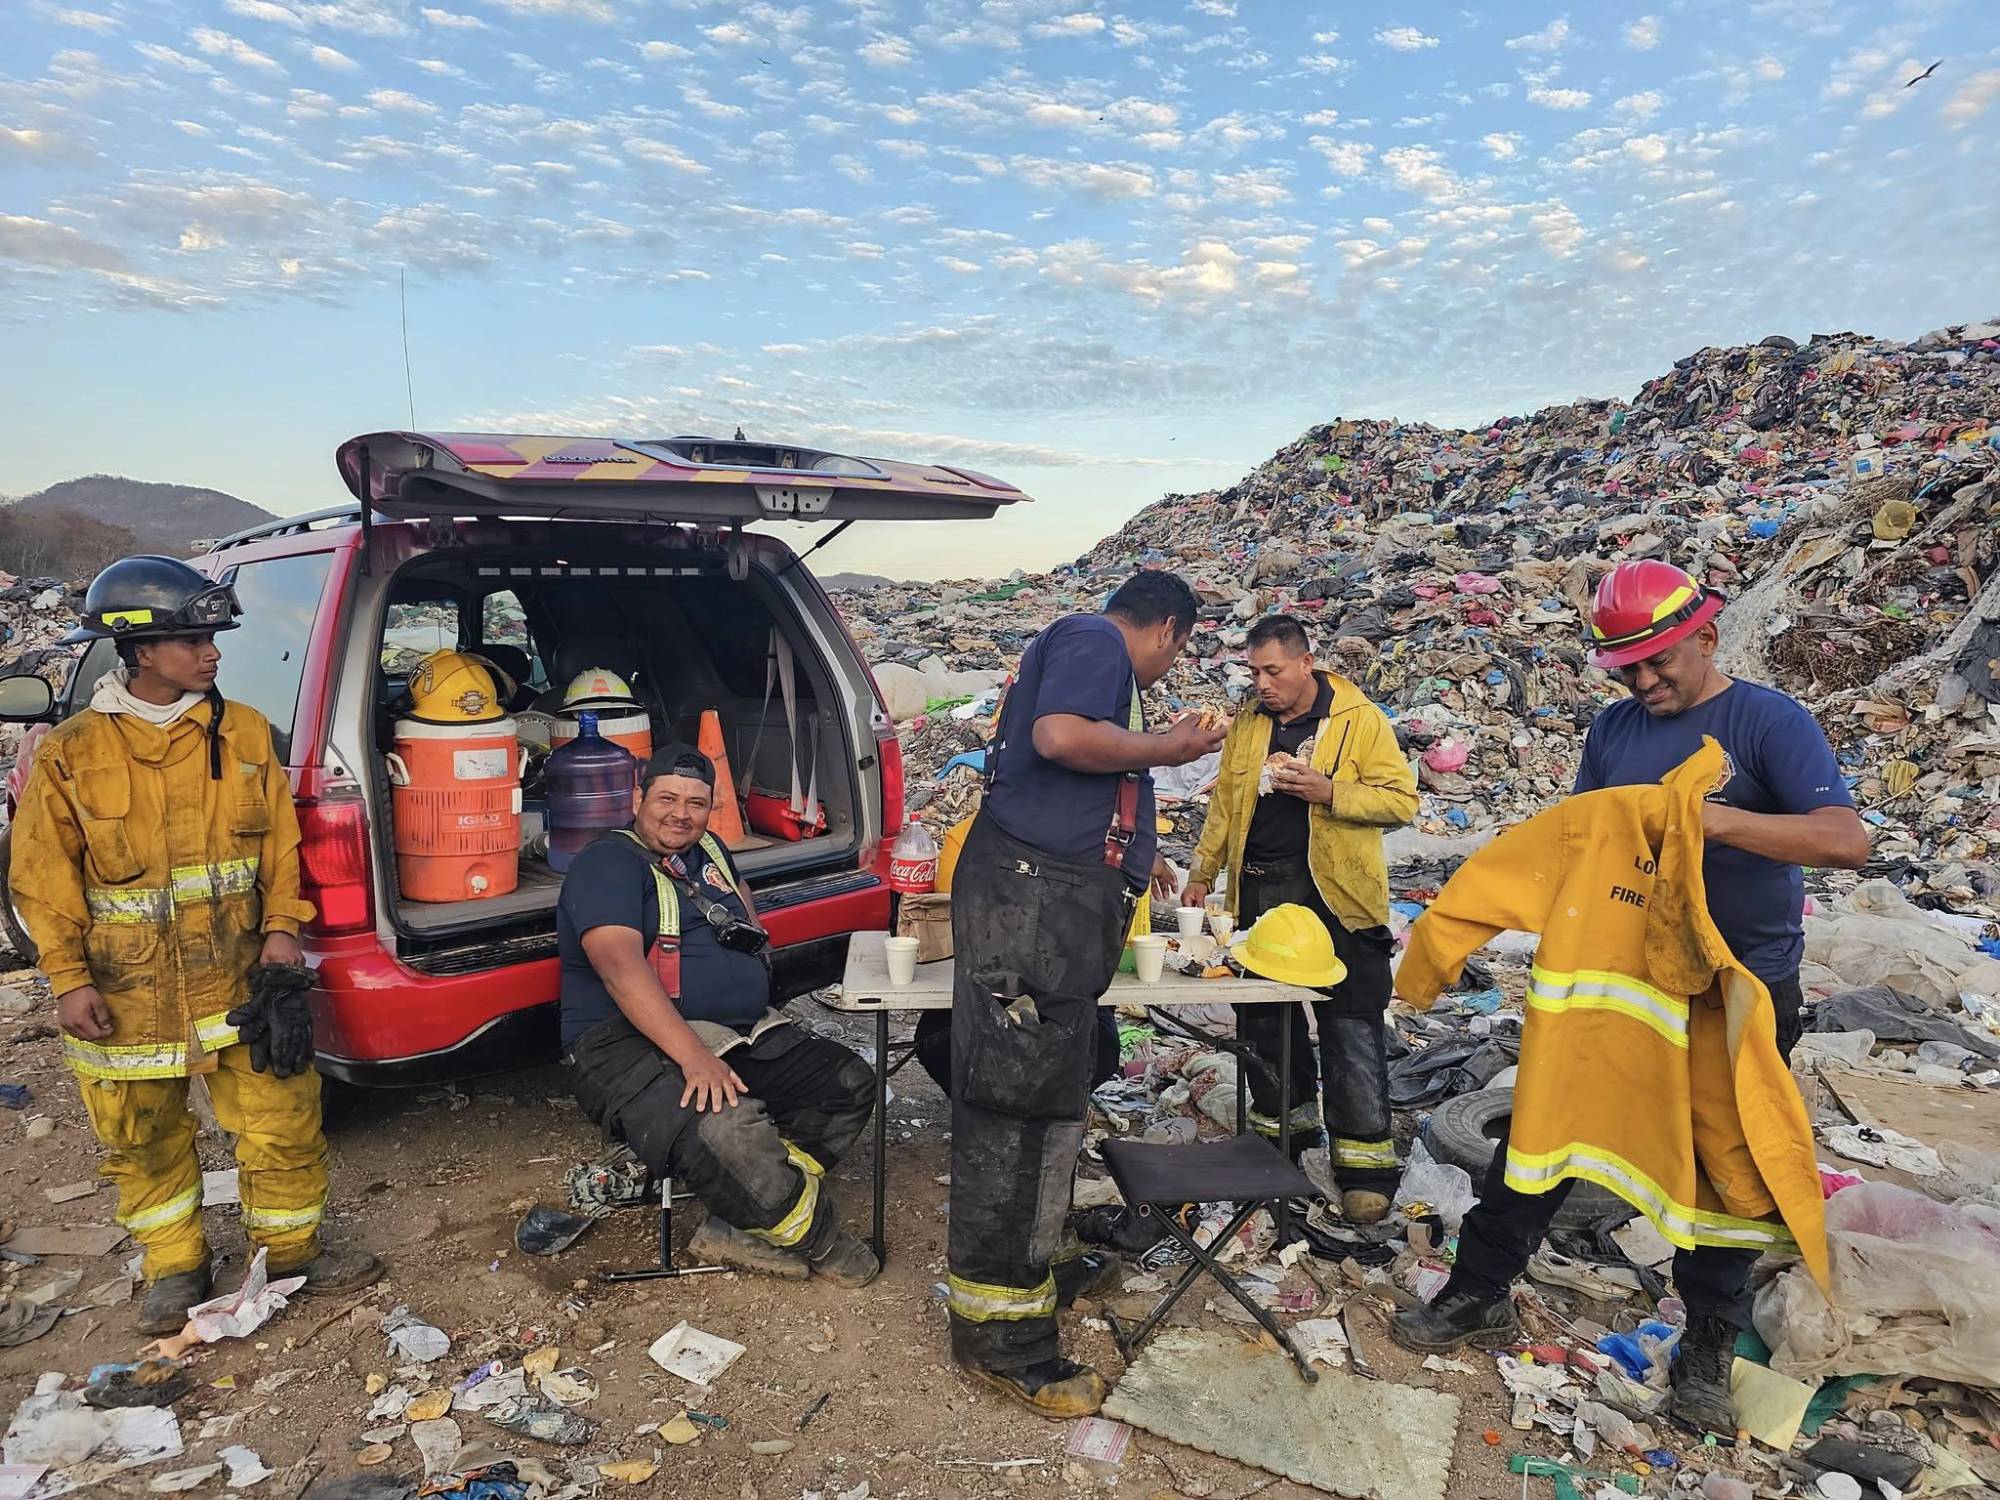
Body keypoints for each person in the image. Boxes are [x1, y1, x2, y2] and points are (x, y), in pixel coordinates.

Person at [1389, 560, 1867, 1435]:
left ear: (1707, 637)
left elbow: (1847, 839)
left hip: (1736, 995)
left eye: (1659, 663)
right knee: (1541, 1137)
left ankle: (1704, 1360)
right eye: (1627, 668)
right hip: (1624, 988)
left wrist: (1709, 820)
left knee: (1722, 1178)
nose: (1644, 682)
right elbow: (1586, 844)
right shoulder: (1612, 733)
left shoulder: (1768, 723)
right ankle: (1478, 1293)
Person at [11, 555, 380, 1335]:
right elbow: (42, 875)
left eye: (214, 636)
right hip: (123, 990)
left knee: (282, 1120)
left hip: (241, 976)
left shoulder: (241, 731)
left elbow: (282, 847)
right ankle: (175, 1268)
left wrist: (283, 929)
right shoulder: (73, 752)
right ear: (139, 649)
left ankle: (291, 1253)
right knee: (140, 1136)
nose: (213, 652)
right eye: (193, 638)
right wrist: (68, 978)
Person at [944, 570, 1226, 1418]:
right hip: (1034, 908)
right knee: (1019, 1110)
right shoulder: (1094, 640)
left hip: (1051, 906)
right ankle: (1003, 1338)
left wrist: (1143, 847)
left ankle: (1042, 1266)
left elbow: (1079, 777)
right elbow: (1063, 737)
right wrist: (1172, 749)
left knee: (1052, 1097)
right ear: (1168, 629)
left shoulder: (1090, 651)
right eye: (1174, 655)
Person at [558, 743, 879, 1285]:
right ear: (639, 797)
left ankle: (744, 1213)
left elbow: (741, 907)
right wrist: (693, 1058)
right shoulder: (607, 863)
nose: (680, 813)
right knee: (727, 1128)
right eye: (666, 798)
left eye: (696, 803)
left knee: (847, 1085)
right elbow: (619, 969)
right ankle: (818, 1240)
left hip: (730, 1032)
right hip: (622, 1043)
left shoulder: (706, 849)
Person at [1181, 614, 1417, 1223]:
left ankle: (1364, 1165)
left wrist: (1330, 791)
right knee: (1264, 1022)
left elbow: (1400, 802)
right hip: (1264, 893)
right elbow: (1226, 805)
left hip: (1339, 895)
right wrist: (1203, 872)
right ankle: (1284, 1144)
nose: (1262, 684)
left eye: (1273, 671)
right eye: (1254, 672)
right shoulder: (1249, 725)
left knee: (1350, 1023)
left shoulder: (1359, 722)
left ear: (1306, 662)